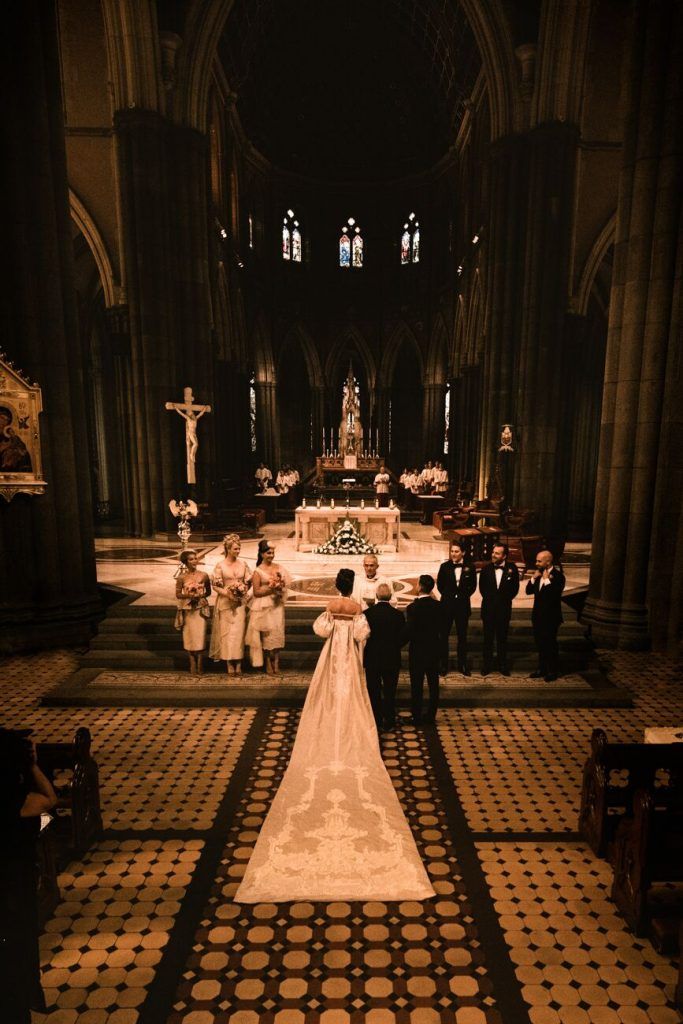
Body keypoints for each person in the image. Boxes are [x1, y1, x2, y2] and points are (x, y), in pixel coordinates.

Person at [234, 568, 434, 903]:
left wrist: (334, 626)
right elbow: (361, 635)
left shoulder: (330, 604)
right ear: (351, 585)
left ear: (335, 586)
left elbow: (320, 629)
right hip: (351, 657)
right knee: (352, 688)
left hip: (331, 655)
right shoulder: (356, 608)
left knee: (329, 686)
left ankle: (327, 719)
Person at [0, 728, 58, 1024]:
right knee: (14, 963)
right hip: (13, 891)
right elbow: (49, 799)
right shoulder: (18, 803)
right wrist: (32, 765)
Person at [363, 583, 406, 732]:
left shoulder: (367, 614)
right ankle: (389, 719)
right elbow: (403, 637)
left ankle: (376, 719)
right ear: (390, 597)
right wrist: (394, 647)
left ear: (376, 596)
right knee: (390, 691)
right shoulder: (398, 615)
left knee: (373, 690)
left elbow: (364, 636)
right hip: (392, 658)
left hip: (372, 658)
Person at [246, 539, 292, 674]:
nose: (271, 555)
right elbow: (256, 592)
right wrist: (272, 589)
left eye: (272, 553)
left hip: (276, 604)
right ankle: (268, 661)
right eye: (268, 553)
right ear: (261, 554)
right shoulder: (257, 571)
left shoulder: (279, 568)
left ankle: (276, 661)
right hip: (264, 606)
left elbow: (286, 583)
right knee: (267, 634)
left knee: (277, 632)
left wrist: (280, 587)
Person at [209, 533, 252, 675]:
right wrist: (227, 593)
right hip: (225, 603)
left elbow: (248, 582)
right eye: (235, 549)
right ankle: (228, 662)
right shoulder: (220, 565)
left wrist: (243, 591)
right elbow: (216, 585)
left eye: (239, 549)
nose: (238, 551)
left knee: (238, 633)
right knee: (227, 634)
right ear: (228, 549)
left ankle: (238, 663)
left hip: (240, 603)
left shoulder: (243, 564)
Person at [406, 574, 443, 724]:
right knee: (434, 684)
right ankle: (431, 715)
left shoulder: (412, 608)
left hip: (417, 651)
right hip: (434, 649)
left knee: (417, 685)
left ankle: (417, 715)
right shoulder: (438, 606)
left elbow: (410, 630)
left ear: (420, 587)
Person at [479, 543, 520, 675]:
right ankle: (487, 665)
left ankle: (503, 665)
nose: (493, 555)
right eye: (493, 552)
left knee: (502, 639)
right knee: (487, 639)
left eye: (497, 553)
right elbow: (482, 589)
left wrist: (502, 601)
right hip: (488, 610)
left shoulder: (512, 569)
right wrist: (493, 602)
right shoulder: (485, 569)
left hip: (504, 609)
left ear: (504, 556)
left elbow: (515, 589)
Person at [437, 540, 477, 675]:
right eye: (452, 551)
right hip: (446, 607)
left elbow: (472, 586)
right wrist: (450, 597)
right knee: (443, 637)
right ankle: (443, 665)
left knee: (462, 637)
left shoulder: (470, 567)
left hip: (462, 607)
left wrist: (460, 597)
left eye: (456, 551)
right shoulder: (444, 567)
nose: (453, 554)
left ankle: (463, 664)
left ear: (463, 553)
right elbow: (440, 586)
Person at [526, 549, 566, 681]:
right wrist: (533, 578)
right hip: (537, 616)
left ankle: (552, 670)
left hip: (551, 617)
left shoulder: (559, 576)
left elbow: (554, 596)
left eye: (539, 561)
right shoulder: (539, 574)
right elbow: (528, 591)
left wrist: (547, 581)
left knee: (550, 644)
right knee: (540, 643)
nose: (536, 563)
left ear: (548, 561)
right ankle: (542, 668)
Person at [174, 549, 211, 675]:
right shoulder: (181, 577)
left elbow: (209, 592)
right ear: (185, 562)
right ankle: (192, 661)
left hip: (200, 608)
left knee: (200, 635)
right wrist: (189, 596)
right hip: (188, 609)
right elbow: (178, 594)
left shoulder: (204, 575)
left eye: (195, 558)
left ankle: (200, 661)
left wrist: (200, 595)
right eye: (191, 559)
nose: (194, 561)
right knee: (189, 636)